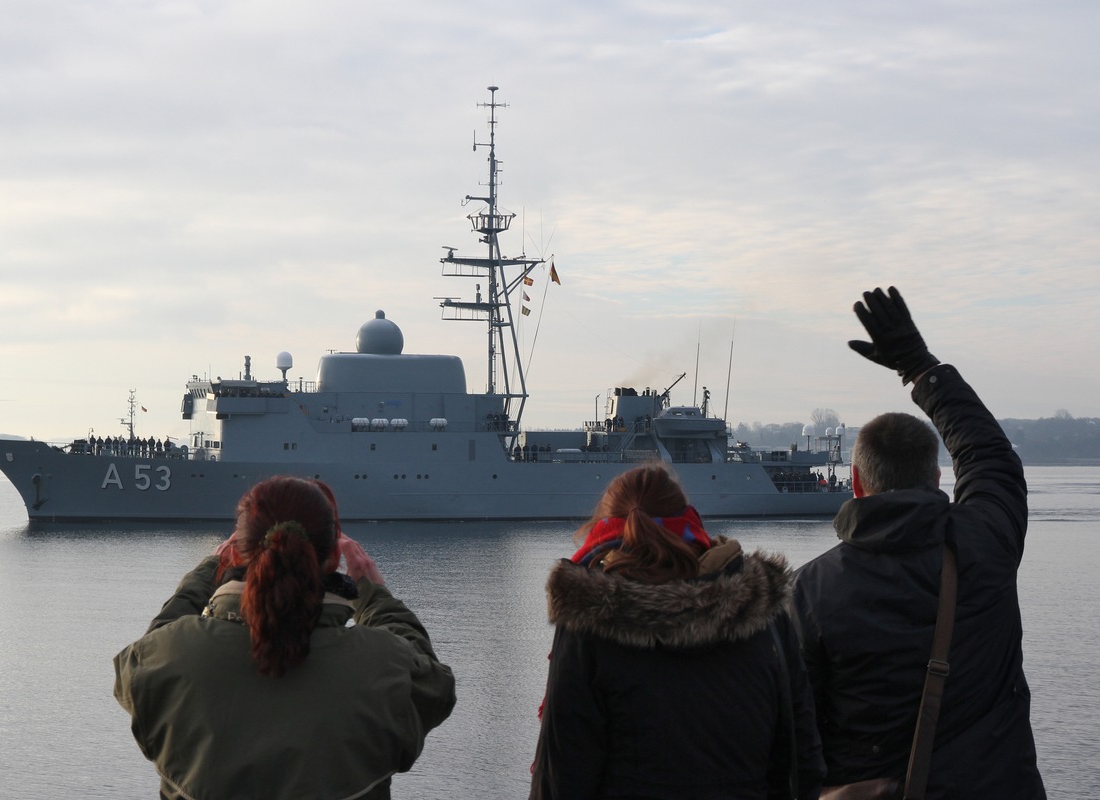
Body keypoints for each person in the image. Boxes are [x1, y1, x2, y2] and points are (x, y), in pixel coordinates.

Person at [790, 287, 1046, 798]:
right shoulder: (987, 543)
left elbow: (796, 732)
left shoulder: (809, 592)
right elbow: (989, 456)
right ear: (935, 477)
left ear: (857, 485)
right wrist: (917, 364)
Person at [113, 476, 457, 799]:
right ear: (335, 556)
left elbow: (146, 656)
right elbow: (432, 683)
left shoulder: (172, 656)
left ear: (235, 552)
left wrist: (207, 572)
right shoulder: (383, 667)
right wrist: (372, 591)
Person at [530, 464, 825, 799]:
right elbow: (803, 762)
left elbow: (561, 778)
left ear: (603, 530)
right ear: (689, 521)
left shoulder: (589, 625)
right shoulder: (765, 615)